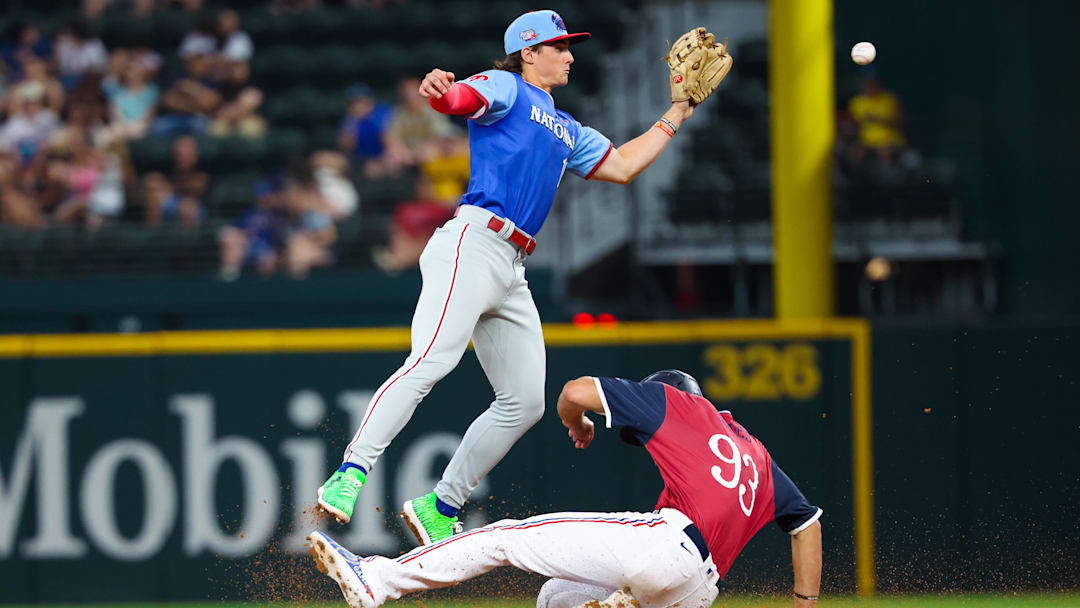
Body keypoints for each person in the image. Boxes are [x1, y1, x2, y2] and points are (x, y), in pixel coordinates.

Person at [316, 10, 705, 547]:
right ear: (529, 51)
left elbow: (621, 166)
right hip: (472, 244)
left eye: (570, 47)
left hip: (513, 265)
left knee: (526, 401)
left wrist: (678, 111)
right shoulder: (506, 86)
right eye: (560, 47)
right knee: (432, 359)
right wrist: (439, 93)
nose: (570, 55)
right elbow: (461, 100)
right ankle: (351, 472)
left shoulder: (568, 127)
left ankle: (441, 504)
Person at [307, 370, 823, 608]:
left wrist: (576, 421)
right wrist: (804, 603)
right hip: (698, 592)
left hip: (670, 544)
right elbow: (806, 526)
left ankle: (377, 579)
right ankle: (623, 604)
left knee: (504, 538)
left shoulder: (675, 403)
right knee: (556, 598)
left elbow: (574, 391)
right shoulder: (758, 455)